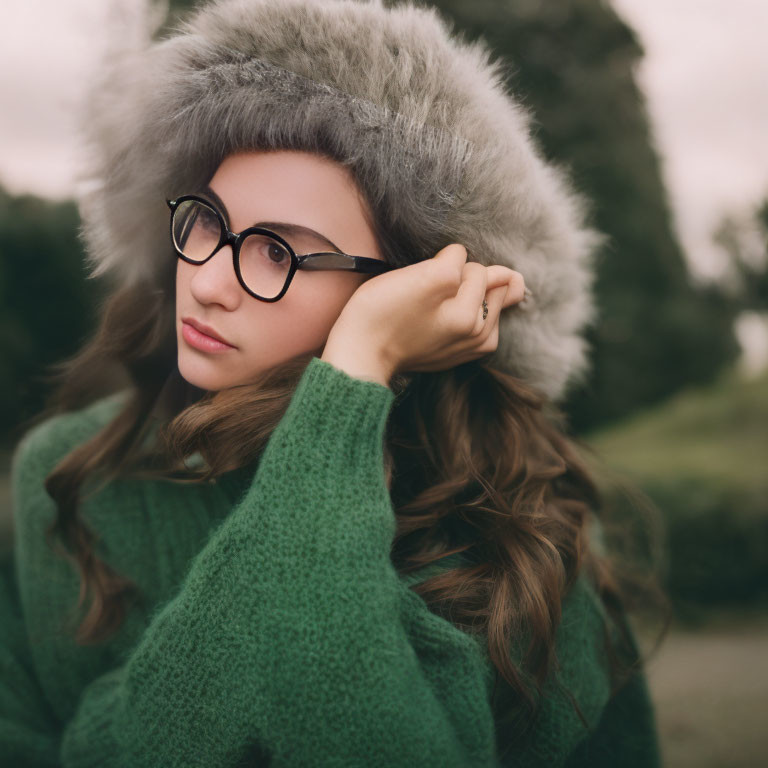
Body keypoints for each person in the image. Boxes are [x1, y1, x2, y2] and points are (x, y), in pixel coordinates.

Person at [2, 0, 668, 765]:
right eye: (210, 222)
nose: (211, 279)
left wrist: (351, 376)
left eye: (279, 253)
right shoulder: (77, 475)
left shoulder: (516, 523)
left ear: (413, 294)